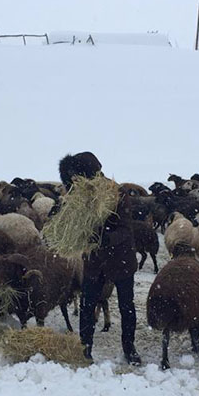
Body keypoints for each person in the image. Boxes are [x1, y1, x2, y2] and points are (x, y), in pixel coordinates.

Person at [63, 153, 141, 365]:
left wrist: (105, 237)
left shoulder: (117, 193)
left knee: (126, 305)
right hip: (95, 260)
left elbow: (126, 229)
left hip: (120, 258)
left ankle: (129, 347)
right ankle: (85, 346)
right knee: (87, 304)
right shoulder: (82, 195)